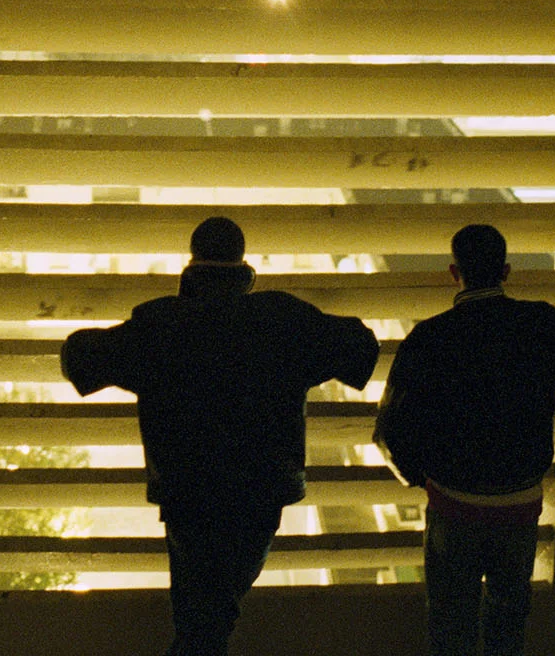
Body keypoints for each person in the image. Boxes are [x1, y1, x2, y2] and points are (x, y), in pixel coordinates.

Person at [61, 216, 379, 656]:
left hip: (187, 494)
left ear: (193, 263)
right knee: (211, 617)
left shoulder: (161, 326)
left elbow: (79, 357)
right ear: (243, 264)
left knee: (201, 618)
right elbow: (361, 347)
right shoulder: (281, 320)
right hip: (260, 492)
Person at [373, 224, 555, 656]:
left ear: (452, 271)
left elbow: (388, 431)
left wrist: (422, 478)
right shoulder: (545, 325)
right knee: (508, 619)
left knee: (451, 624)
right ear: (506, 270)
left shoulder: (428, 339)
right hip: (519, 502)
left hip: (454, 502)